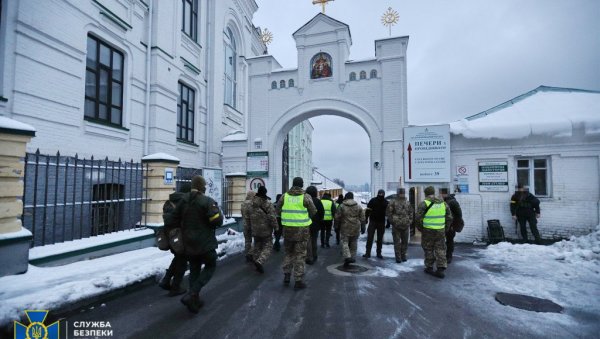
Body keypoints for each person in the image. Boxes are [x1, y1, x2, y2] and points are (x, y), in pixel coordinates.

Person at [169, 175, 223, 313]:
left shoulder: (182, 201)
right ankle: (193, 293)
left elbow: (172, 219)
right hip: (205, 243)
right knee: (211, 265)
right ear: (202, 187)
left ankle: (194, 301)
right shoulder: (207, 201)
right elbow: (217, 220)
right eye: (204, 186)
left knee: (194, 270)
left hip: (189, 243)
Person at [275, 177, 317, 289]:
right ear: (302, 185)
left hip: (287, 230)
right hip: (302, 231)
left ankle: (287, 276)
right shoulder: (306, 197)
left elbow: (277, 210)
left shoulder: (285, 196)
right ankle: (298, 280)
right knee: (300, 255)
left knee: (288, 253)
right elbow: (313, 211)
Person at [159, 182, 191, 296]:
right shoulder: (184, 202)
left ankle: (166, 280)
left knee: (178, 258)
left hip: (170, 235)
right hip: (180, 235)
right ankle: (175, 287)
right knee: (182, 260)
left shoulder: (169, 202)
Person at [416, 186, 452, 279]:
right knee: (440, 248)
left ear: (426, 193)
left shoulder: (424, 203)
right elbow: (449, 217)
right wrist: (445, 228)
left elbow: (417, 218)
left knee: (428, 248)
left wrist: (421, 229)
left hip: (428, 230)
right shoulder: (443, 203)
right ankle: (441, 269)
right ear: (433, 193)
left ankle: (429, 267)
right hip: (440, 230)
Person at [248, 186, 278, 273]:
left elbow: (249, 216)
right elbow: (272, 218)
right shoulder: (268, 204)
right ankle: (260, 261)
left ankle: (256, 261)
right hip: (265, 230)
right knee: (268, 246)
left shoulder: (251, 203)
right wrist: (276, 227)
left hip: (255, 229)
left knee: (257, 245)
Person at [335, 192, 365, 268]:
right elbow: (362, 217)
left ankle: (347, 256)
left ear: (346, 197)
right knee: (354, 242)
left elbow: (337, 217)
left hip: (345, 227)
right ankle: (352, 257)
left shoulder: (342, 206)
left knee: (345, 242)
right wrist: (363, 226)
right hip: (355, 227)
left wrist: (336, 226)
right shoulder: (358, 206)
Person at [386, 188, 414, 263]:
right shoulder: (393, 202)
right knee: (397, 243)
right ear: (398, 193)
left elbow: (411, 212)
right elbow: (389, 213)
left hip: (405, 225)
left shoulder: (407, 202)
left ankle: (403, 256)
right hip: (396, 226)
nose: (402, 194)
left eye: (403, 192)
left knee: (405, 242)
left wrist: (409, 221)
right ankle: (398, 257)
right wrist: (393, 222)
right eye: (400, 192)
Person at [440, 187, 464, 263]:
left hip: (451, 226)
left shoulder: (453, 202)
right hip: (443, 225)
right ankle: (443, 255)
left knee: (449, 241)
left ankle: (449, 256)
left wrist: (454, 225)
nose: (441, 195)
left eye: (442, 193)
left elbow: (459, 215)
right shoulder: (443, 201)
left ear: (446, 193)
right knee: (442, 241)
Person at [363, 189, 388, 259]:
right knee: (370, 238)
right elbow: (368, 210)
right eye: (380, 194)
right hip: (374, 222)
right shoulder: (374, 201)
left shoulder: (385, 202)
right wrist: (366, 219)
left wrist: (388, 222)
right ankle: (369, 253)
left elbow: (388, 213)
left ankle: (377, 253)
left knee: (378, 239)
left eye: (382, 194)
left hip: (379, 222)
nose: (381, 195)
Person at [305, 186, 324, 265]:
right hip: (316, 224)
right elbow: (322, 213)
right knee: (314, 240)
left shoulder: (305, 200)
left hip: (306, 223)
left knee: (307, 241)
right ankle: (314, 255)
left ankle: (308, 256)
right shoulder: (318, 201)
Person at [241, 191, 256, 263]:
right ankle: (251, 253)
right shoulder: (252, 203)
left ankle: (247, 255)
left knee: (247, 241)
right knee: (257, 240)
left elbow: (242, 214)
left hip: (245, 224)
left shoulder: (243, 203)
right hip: (252, 224)